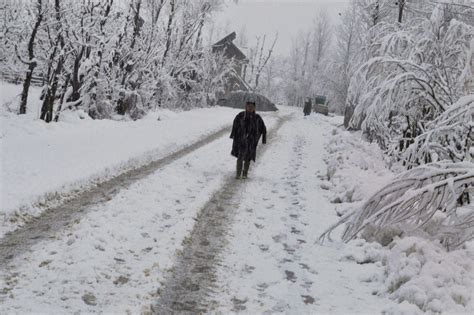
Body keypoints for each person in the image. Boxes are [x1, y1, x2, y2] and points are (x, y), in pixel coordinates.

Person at [230, 101, 267, 179]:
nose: (250, 108)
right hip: (241, 140)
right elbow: (235, 125)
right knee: (240, 157)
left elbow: (263, 129)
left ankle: (245, 173)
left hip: (251, 141)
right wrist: (233, 134)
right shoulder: (241, 115)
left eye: (252, 107)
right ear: (246, 107)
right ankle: (238, 173)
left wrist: (263, 139)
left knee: (248, 158)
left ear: (254, 108)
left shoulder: (257, 118)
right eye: (248, 106)